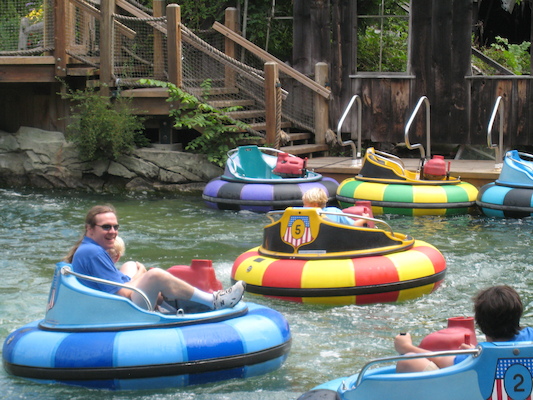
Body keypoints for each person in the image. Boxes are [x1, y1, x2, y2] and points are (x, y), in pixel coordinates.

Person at [66, 204, 245, 311]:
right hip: (118, 309)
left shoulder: (88, 248)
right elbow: (123, 294)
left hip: (106, 301)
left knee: (130, 264)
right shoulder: (93, 253)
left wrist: (137, 274)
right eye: (106, 227)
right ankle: (214, 301)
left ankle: (169, 300)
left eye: (115, 226)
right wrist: (142, 276)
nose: (113, 232)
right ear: (90, 229)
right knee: (156, 275)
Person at [394, 285, 533, 373]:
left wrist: (407, 347)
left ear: (479, 323)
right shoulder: (530, 337)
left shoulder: (480, 355)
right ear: (518, 315)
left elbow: (443, 361)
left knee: (409, 361)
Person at [302, 187, 368, 226]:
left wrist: (364, 220)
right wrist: (364, 219)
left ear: (315, 205)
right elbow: (354, 224)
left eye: (305, 204)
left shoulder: (304, 215)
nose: (303, 207)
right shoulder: (334, 211)